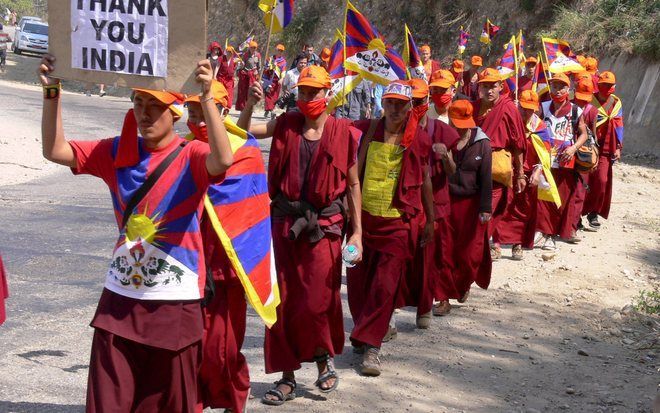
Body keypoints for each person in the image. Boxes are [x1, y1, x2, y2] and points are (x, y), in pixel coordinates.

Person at [38, 54, 234, 412]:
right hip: (120, 301)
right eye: (138, 103)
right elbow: (55, 150)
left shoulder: (191, 154)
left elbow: (222, 161)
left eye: (154, 106)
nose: (144, 113)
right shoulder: (117, 152)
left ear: (174, 112)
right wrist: (52, 92)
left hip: (174, 302)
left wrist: (206, 98)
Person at [237, 65, 363, 405]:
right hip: (284, 224)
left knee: (319, 298)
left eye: (315, 92)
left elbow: (352, 184)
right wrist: (249, 103)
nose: (308, 98)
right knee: (282, 301)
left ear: (328, 94)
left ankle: (324, 361)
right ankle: (287, 375)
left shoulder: (343, 131)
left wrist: (358, 235)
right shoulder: (287, 123)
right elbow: (243, 130)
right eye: (304, 92)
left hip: (325, 225)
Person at [348, 80, 433, 376]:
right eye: (390, 103)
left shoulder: (418, 139)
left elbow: (424, 179)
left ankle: (372, 346)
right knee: (357, 284)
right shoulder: (366, 129)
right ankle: (361, 332)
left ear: (411, 106)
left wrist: (430, 218)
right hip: (360, 221)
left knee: (384, 286)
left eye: (401, 103)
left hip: (397, 223)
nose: (395, 109)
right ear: (382, 104)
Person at [183, 81, 252, 413]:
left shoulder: (243, 150)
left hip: (227, 268)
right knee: (187, 347)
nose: (196, 121)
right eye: (191, 113)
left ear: (222, 112)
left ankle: (233, 398)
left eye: (203, 113)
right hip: (185, 264)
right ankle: (191, 403)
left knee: (221, 349)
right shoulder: (179, 147)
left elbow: (252, 213)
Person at [408, 78, 460, 318]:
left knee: (439, 253)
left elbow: (452, 171)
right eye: (409, 101)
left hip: (437, 199)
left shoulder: (441, 130)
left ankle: (441, 298)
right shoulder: (396, 128)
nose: (412, 106)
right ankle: (417, 298)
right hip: (408, 200)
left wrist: (445, 156)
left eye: (418, 101)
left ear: (425, 100)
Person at [439, 100, 492, 315]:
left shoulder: (482, 143)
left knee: (470, 253)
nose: (461, 128)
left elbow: (486, 178)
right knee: (443, 250)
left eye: (464, 124)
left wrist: (485, 208)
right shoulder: (443, 139)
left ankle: (463, 285)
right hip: (446, 201)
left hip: (471, 205)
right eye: (457, 123)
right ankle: (442, 298)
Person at [472, 68, 526, 260]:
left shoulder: (508, 108)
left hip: (496, 167)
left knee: (489, 211)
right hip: (474, 166)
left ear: (501, 86)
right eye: (484, 86)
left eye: (493, 86)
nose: (489, 90)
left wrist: (520, 173)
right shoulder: (474, 107)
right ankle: (476, 248)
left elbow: (518, 143)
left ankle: (477, 249)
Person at [492, 90, 552, 260]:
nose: (527, 113)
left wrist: (538, 170)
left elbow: (546, 153)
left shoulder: (540, 127)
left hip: (528, 173)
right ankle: (496, 244)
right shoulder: (509, 121)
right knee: (502, 205)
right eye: (524, 108)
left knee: (523, 209)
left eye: (531, 110)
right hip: (507, 170)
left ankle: (517, 243)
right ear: (517, 105)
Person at [536, 73, 589, 249]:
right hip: (545, 157)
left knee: (562, 196)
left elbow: (584, 134)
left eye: (561, 87)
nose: (557, 90)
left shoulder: (576, 110)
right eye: (554, 86)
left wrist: (573, 148)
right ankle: (543, 231)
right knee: (544, 195)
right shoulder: (543, 107)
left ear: (568, 89)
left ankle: (552, 233)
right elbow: (532, 124)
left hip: (566, 158)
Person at [581, 71, 624, 230]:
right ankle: (578, 212)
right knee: (584, 180)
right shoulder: (590, 100)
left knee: (601, 180)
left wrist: (618, 147)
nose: (606, 88)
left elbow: (619, 125)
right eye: (603, 85)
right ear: (598, 85)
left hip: (606, 147)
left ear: (613, 86)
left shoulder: (616, 103)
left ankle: (593, 212)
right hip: (588, 145)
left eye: (609, 85)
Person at [263, 44, 287, 119]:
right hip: (269, 79)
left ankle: (268, 109)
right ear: (275, 50)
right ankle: (271, 110)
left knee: (274, 96)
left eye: (281, 51)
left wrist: (282, 78)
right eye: (278, 50)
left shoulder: (283, 61)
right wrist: (269, 66)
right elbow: (265, 67)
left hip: (277, 81)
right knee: (268, 94)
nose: (279, 52)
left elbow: (283, 71)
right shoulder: (270, 59)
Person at [235, 40, 261, 111]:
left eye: (255, 48)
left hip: (253, 76)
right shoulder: (245, 55)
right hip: (246, 75)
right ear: (249, 47)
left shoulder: (258, 55)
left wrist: (258, 75)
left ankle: (251, 107)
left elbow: (259, 67)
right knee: (243, 91)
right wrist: (242, 65)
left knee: (252, 91)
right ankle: (242, 107)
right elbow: (241, 66)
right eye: (252, 47)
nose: (253, 49)